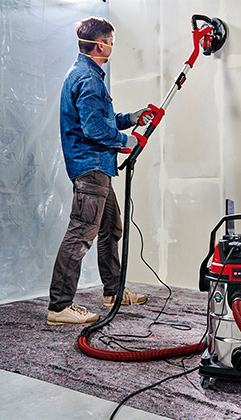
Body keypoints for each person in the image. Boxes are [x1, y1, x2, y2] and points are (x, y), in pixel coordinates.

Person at [47, 17, 150, 326]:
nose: (112, 46)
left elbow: (97, 119)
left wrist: (131, 118)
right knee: (81, 233)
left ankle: (112, 292)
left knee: (110, 228)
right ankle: (59, 306)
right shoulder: (89, 79)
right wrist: (128, 141)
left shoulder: (85, 74)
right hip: (91, 166)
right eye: (111, 41)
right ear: (100, 44)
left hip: (97, 166)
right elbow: (93, 129)